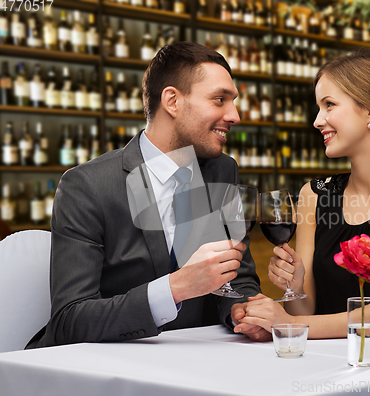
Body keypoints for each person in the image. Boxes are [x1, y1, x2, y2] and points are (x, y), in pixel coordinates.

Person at [27, 42, 268, 348]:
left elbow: (238, 280)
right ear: (172, 101)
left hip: (200, 363)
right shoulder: (87, 186)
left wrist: (243, 312)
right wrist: (174, 288)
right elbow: (70, 320)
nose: (234, 115)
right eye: (219, 100)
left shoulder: (223, 171)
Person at [236, 48, 370, 338]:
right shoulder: (313, 195)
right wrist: (294, 287)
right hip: (330, 362)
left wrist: (285, 323)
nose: (317, 120)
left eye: (329, 105)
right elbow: (307, 311)